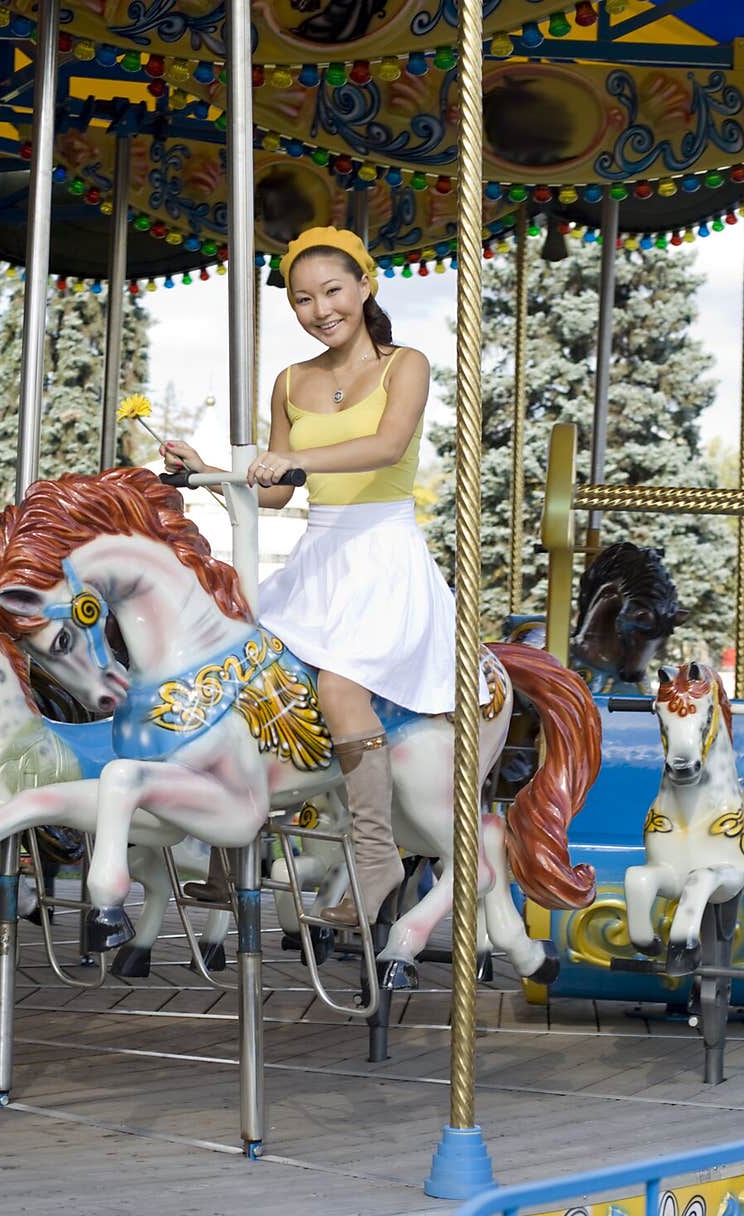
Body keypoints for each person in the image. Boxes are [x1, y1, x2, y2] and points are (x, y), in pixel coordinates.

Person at [161, 225, 460, 928]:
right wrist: (206, 471)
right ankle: (231, 846)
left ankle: (377, 852)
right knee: (243, 674)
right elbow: (271, 496)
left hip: (383, 554)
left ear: (365, 286)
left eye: (333, 291)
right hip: (319, 558)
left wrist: (293, 464)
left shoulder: (405, 364)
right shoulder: (291, 381)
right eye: (303, 299)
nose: (320, 308)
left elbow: (387, 444)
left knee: (339, 684)